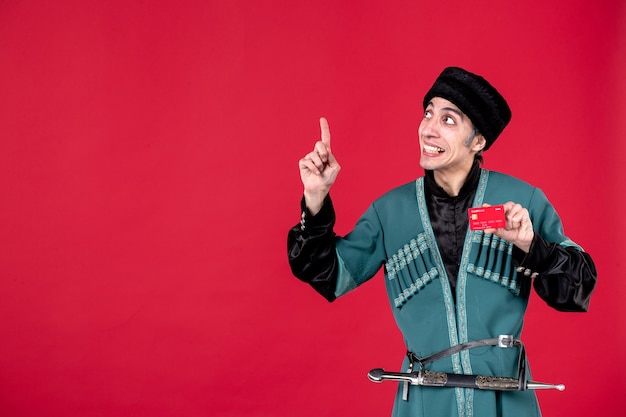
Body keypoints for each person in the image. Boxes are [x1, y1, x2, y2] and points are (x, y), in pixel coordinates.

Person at [287, 67, 597, 417]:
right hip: (423, 402)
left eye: (448, 120)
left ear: (478, 141)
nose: (428, 128)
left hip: (504, 400)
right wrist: (314, 198)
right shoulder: (389, 212)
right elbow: (329, 275)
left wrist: (532, 246)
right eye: (428, 113)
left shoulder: (522, 200)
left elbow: (578, 288)